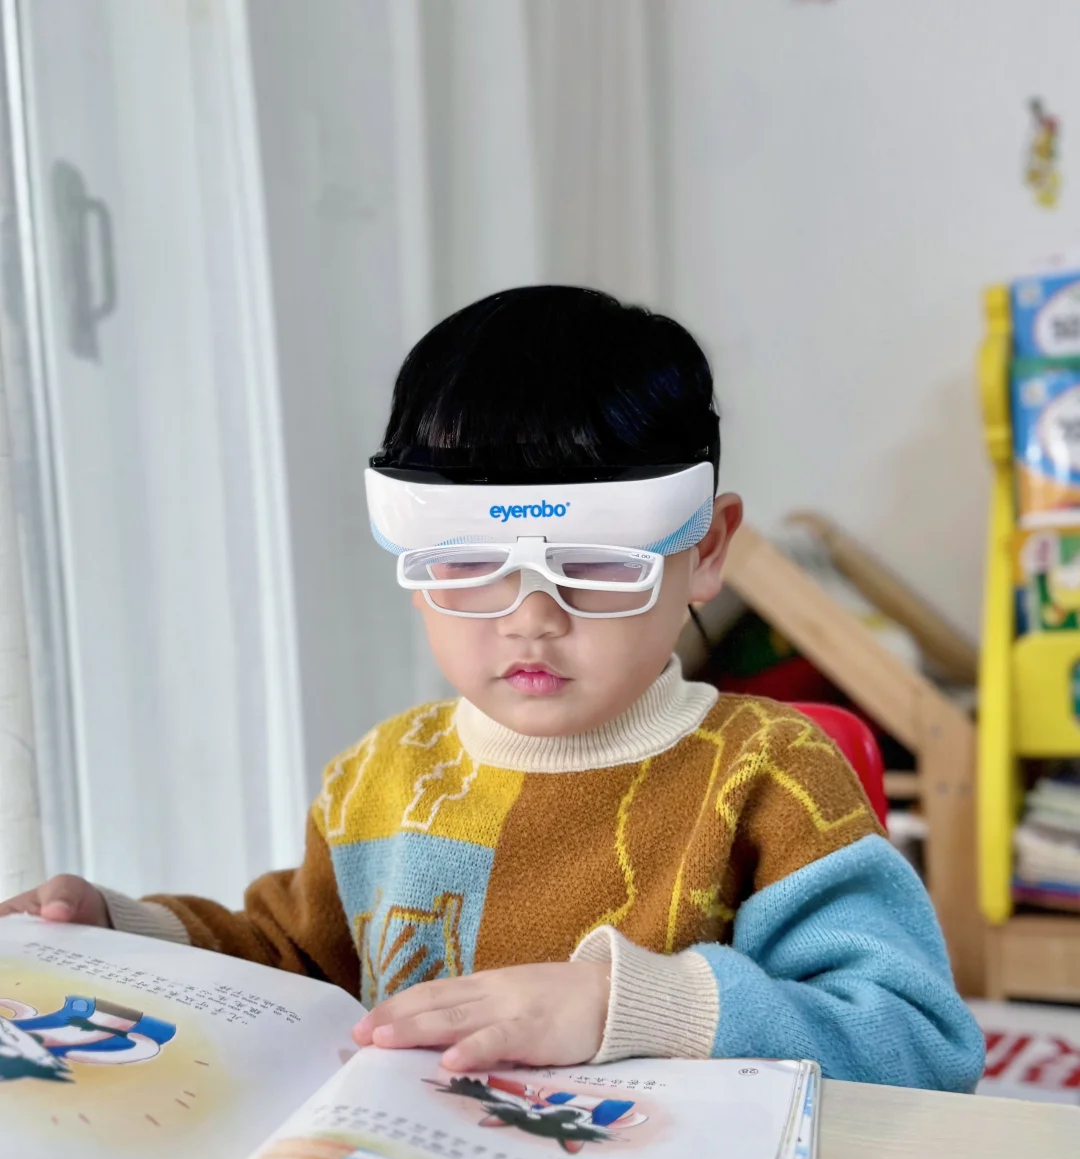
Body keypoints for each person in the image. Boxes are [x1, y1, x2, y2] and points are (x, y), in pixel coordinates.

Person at [0, 286, 985, 1089]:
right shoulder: (381, 778)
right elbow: (289, 958)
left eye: (596, 563)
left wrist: (625, 1006)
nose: (530, 616)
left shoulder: (774, 776)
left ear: (707, 549)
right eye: (468, 562)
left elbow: (917, 1041)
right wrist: (120, 933)